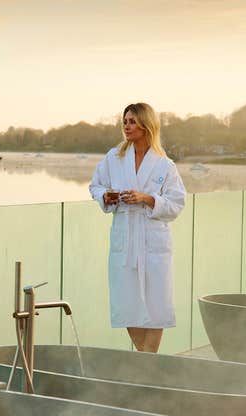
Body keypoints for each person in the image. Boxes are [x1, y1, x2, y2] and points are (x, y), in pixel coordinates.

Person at [88, 102, 187, 353]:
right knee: (127, 304)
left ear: (146, 124)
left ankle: (146, 364)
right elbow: (95, 186)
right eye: (125, 121)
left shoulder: (165, 165)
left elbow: (177, 203)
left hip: (153, 241)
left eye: (132, 121)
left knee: (156, 306)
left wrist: (147, 198)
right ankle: (147, 362)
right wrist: (106, 196)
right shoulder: (114, 158)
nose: (127, 125)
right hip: (125, 238)